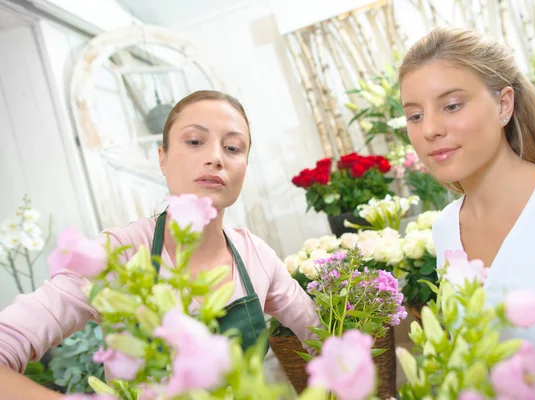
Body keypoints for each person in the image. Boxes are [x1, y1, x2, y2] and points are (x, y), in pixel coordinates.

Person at [0, 90, 320, 399]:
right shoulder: (118, 253)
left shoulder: (256, 256)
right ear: (162, 159)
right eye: (195, 141)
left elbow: (322, 338)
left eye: (233, 148)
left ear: (245, 168)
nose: (215, 157)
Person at [398, 27, 535, 348]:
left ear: (504, 105)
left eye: (451, 106)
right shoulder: (447, 227)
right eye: (415, 115)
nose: (430, 129)